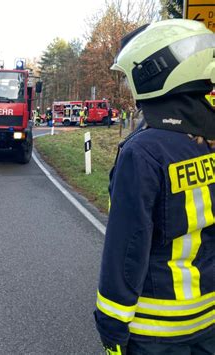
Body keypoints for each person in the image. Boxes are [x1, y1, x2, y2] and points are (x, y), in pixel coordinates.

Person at [94, 19, 215, 355]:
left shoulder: (144, 151)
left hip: (155, 328)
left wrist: (112, 324)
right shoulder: (207, 139)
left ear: (152, 71)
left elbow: (128, 245)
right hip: (208, 318)